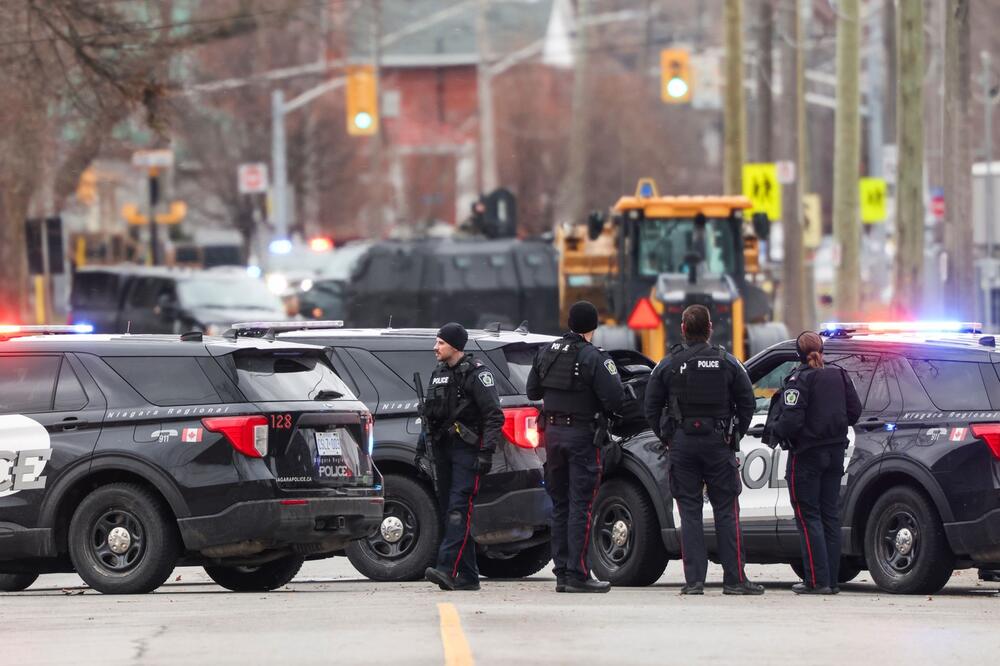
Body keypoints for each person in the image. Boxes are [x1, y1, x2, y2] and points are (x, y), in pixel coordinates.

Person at [643, 304, 762, 595]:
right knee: (726, 510)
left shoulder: (668, 364)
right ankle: (735, 580)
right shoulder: (728, 362)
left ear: (683, 329)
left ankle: (694, 581)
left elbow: (650, 406)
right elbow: (748, 402)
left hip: (683, 445)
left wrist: (668, 437)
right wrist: (734, 434)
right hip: (718, 444)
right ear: (710, 328)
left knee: (689, 512)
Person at [526, 301, 624, 593]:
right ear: (593, 327)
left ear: (569, 323)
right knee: (581, 506)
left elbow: (532, 391)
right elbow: (615, 398)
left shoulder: (547, 352)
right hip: (581, 437)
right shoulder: (594, 357)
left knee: (560, 506)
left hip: (553, 437)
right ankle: (578, 574)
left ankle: (562, 573)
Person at [769, 331, 861, 595]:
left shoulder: (798, 380)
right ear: (822, 350)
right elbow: (854, 412)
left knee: (808, 516)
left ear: (798, 354)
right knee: (829, 515)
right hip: (835, 452)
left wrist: (775, 430)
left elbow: (792, 421)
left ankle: (816, 581)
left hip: (807, 455)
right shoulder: (839, 375)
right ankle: (831, 580)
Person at [417, 323, 504, 591]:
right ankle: (468, 576)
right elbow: (430, 415)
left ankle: (446, 568)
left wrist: (486, 452)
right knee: (450, 511)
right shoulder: (439, 373)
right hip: (442, 451)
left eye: (441, 343)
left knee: (458, 510)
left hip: (467, 451)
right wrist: (421, 449)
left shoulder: (477, 374)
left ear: (455, 346)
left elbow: (494, 416)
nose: (435, 347)